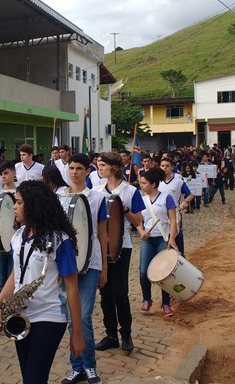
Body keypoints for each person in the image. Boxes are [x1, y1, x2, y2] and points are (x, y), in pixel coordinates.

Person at [0, 181, 83, 384]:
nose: (14, 206)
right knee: (29, 378)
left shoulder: (60, 240)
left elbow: (72, 288)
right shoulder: (17, 237)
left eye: (19, 202)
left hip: (49, 316)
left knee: (34, 379)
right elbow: (16, 275)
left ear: (34, 205)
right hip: (20, 314)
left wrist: (76, 333)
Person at [91, 153, 146, 355]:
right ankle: (111, 335)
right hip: (101, 247)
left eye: (103, 164)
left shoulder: (131, 191)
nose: (99, 167)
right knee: (105, 292)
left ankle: (127, 334)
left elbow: (138, 221)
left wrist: (124, 210)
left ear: (114, 168)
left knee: (120, 293)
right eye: (98, 164)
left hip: (122, 246)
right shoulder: (96, 191)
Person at [60, 153, 107, 384]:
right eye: (72, 168)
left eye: (79, 168)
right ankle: (76, 366)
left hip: (92, 264)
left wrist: (105, 267)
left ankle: (89, 365)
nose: (75, 172)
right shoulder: (58, 196)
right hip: (67, 265)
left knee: (84, 316)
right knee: (71, 317)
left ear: (88, 171)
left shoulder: (97, 197)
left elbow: (103, 233)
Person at [138, 168, 178, 317]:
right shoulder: (142, 200)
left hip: (163, 239)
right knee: (143, 272)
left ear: (153, 184)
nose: (141, 185)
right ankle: (147, 300)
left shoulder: (166, 198)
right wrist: (141, 231)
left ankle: (166, 303)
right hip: (147, 240)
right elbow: (137, 220)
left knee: (164, 273)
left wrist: (172, 238)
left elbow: (173, 219)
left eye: (144, 183)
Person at [158, 157, 194, 254]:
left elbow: (190, 195)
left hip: (174, 214)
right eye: (162, 166)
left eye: (167, 166)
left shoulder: (178, 181)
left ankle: (180, 258)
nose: (164, 168)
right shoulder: (156, 181)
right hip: (159, 214)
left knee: (176, 238)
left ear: (171, 167)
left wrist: (185, 202)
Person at [0, 161, 18, 293]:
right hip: (0, 243)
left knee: (12, 279)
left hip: (16, 242)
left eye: (6, 173)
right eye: (1, 174)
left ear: (14, 173)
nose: (3, 176)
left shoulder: (21, 193)